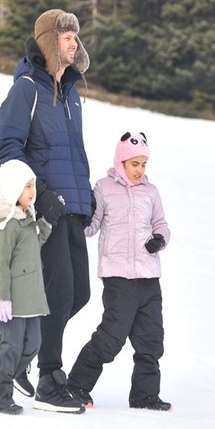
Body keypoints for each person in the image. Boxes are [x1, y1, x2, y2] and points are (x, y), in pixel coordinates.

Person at [0, 8, 92, 413]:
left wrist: (85, 197)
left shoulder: (70, 94)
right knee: (61, 290)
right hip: (45, 209)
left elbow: (74, 154)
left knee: (80, 294)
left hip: (72, 207)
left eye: (76, 36)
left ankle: (17, 360)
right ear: (50, 40)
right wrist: (41, 194)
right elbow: (7, 149)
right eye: (67, 36)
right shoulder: (27, 90)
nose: (75, 42)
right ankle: (50, 378)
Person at [67, 131, 172, 412]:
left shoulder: (151, 192)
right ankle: (76, 385)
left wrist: (160, 238)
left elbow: (161, 223)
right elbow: (92, 226)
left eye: (143, 164)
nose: (139, 170)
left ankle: (145, 395)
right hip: (118, 277)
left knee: (151, 339)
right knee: (112, 336)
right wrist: (77, 220)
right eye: (134, 164)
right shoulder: (103, 188)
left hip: (149, 277)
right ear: (121, 161)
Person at [0, 160, 52, 415]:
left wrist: (46, 224)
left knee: (33, 345)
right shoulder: (5, 224)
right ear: (12, 189)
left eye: (32, 185)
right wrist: (0, 298)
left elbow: (32, 247)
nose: (32, 191)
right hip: (12, 301)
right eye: (26, 186)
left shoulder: (25, 218)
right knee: (10, 347)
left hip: (30, 299)